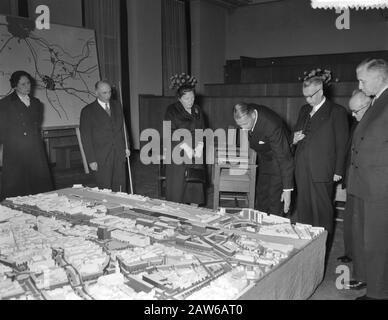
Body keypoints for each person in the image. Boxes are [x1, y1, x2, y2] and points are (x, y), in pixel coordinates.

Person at [347, 58, 388, 300]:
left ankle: (379, 294)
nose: (359, 85)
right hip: (368, 183)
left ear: (379, 77)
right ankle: (375, 289)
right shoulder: (377, 101)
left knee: (378, 243)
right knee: (368, 242)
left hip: (380, 185)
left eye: (362, 80)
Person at [293, 76, 349, 246]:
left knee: (322, 212)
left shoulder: (336, 111)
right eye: (305, 96)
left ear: (321, 91)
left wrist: (338, 170)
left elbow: (342, 143)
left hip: (323, 169)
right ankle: (305, 245)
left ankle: (321, 247)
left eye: (311, 96)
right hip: (302, 168)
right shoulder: (304, 110)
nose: (307, 99)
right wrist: (294, 139)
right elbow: (296, 134)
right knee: (304, 210)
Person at [233, 103, 294, 215]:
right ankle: (260, 226)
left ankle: (275, 228)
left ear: (253, 116)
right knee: (262, 196)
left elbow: (284, 158)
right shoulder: (245, 112)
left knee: (275, 199)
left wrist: (287, 190)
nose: (243, 129)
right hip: (265, 156)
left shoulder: (272, 125)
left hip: (278, 158)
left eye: (245, 124)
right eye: (239, 125)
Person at [0, 70, 53, 200]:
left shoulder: (36, 103)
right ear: (15, 86)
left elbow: (36, 126)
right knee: (17, 188)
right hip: (15, 152)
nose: (27, 86)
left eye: (28, 83)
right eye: (23, 84)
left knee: (39, 187)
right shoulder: (5, 104)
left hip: (35, 150)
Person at [337, 90, 371, 271]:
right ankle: (350, 252)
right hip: (352, 178)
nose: (352, 114)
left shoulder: (373, 124)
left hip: (366, 182)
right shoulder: (356, 122)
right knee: (350, 219)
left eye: (356, 110)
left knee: (362, 223)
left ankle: (361, 260)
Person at [79, 80, 130, 192]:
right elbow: (86, 138)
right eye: (104, 93)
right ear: (96, 93)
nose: (108, 95)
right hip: (101, 156)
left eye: (110, 92)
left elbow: (123, 128)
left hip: (119, 153)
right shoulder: (87, 111)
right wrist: (91, 160)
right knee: (105, 188)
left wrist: (127, 146)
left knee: (121, 186)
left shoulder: (117, 106)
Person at [164, 84, 206, 205]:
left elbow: (201, 129)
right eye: (187, 99)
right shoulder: (171, 110)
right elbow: (169, 132)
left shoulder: (197, 109)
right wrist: (186, 147)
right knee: (178, 188)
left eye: (192, 98)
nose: (190, 101)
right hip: (178, 150)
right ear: (179, 98)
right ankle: (176, 214)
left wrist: (200, 145)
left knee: (195, 186)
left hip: (195, 151)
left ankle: (193, 213)